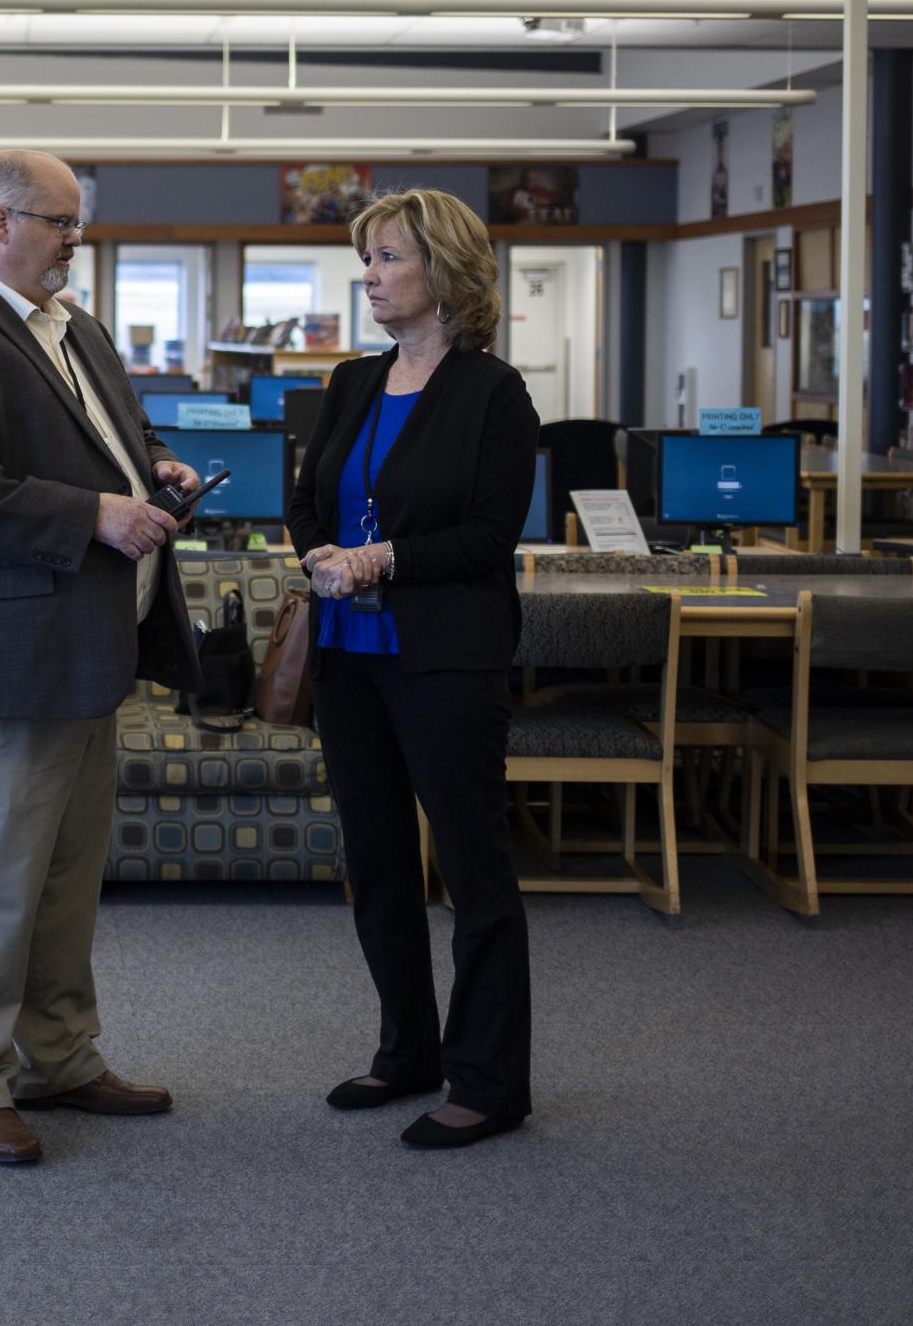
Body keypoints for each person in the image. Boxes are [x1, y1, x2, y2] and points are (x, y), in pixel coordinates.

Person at [0, 148, 204, 1168]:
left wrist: (150, 466)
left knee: (64, 880)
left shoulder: (76, 327)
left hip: (86, 650)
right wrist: (99, 511)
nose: (77, 238)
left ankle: (60, 1055)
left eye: (77, 221)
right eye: (59, 221)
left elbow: (113, 434)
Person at [284, 187, 541, 1150]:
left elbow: (486, 536)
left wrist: (381, 559)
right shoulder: (351, 381)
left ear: (444, 271)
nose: (371, 276)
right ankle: (408, 1050)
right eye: (368, 259)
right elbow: (305, 498)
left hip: (445, 660)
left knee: (473, 872)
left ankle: (489, 1080)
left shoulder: (493, 393)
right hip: (347, 660)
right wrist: (322, 556)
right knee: (378, 864)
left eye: (388, 257)